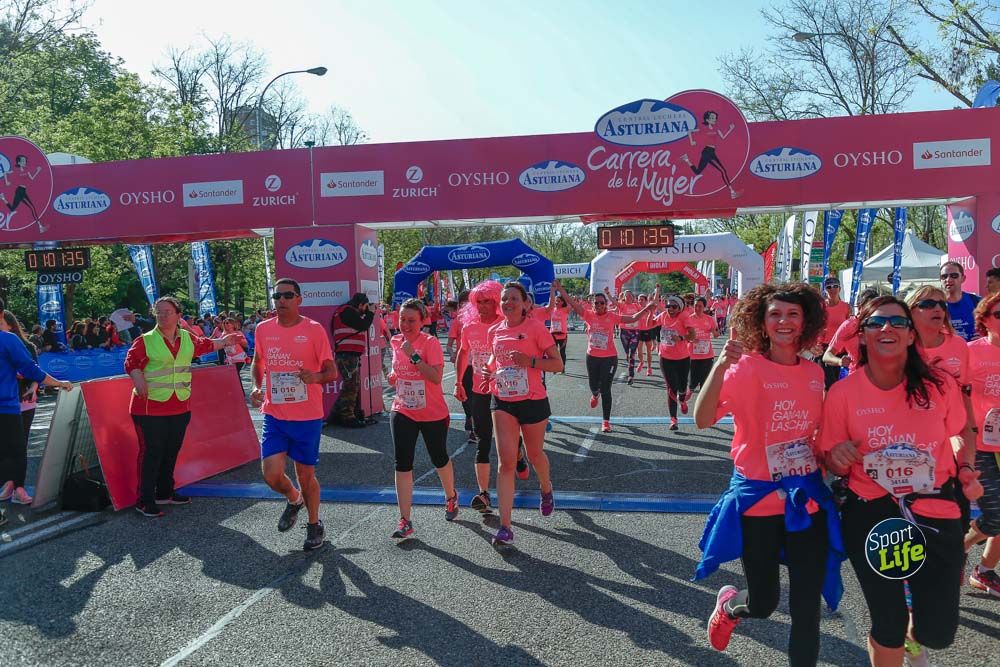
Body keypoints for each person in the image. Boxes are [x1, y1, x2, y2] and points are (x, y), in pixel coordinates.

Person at [819, 296, 983, 666]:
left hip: (935, 506)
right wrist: (838, 456)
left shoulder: (939, 383)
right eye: (876, 323)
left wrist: (967, 467)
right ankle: (896, 638)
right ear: (861, 336)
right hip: (873, 513)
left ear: (911, 336)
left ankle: (916, 635)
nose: (886, 329)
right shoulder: (844, 393)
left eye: (897, 322)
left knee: (937, 632)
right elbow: (830, 456)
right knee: (888, 619)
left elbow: (960, 431)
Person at [694, 283, 840, 664]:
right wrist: (720, 364)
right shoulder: (745, 368)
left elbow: (816, 433)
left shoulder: (814, 373)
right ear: (762, 322)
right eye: (775, 314)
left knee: (807, 610)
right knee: (764, 603)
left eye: (793, 314)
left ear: (805, 321)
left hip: (805, 497)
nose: (784, 321)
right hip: (758, 498)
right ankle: (729, 607)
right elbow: (702, 419)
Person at [126, 297, 239, 518]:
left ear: (179, 316)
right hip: (150, 406)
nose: (162, 316)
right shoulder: (145, 340)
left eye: (167, 312)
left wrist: (225, 341)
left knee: (171, 451)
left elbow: (206, 345)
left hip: (179, 404)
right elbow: (131, 362)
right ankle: (145, 499)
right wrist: (138, 380)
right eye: (158, 312)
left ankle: (165, 492)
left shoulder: (187, 337)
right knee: (152, 452)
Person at [251, 279, 338, 550]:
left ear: (299, 299)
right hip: (275, 414)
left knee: (306, 475)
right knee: (271, 475)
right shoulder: (263, 329)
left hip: (306, 417)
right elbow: (258, 361)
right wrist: (256, 386)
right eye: (277, 295)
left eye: (287, 295)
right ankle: (293, 499)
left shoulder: (313, 330)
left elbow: (332, 372)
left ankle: (314, 524)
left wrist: (315, 377)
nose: (281, 300)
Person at [482, 282, 563, 546]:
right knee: (506, 463)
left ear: (526, 303)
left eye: (514, 299)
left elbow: (558, 364)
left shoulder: (536, 328)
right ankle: (505, 526)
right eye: (505, 299)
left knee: (534, 454)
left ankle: (546, 487)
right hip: (502, 399)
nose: (508, 303)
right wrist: (488, 371)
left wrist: (531, 362)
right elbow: (495, 361)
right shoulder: (494, 331)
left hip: (533, 400)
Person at [385, 299, 459, 538]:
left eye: (411, 321)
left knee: (439, 458)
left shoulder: (430, 343)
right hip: (403, 408)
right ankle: (404, 520)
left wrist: (414, 357)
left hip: (431, 412)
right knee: (402, 463)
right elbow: (399, 369)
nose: (405, 325)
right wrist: (394, 376)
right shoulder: (396, 341)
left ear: (422, 321)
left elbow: (436, 378)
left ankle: (450, 496)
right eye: (402, 320)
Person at [561, 283, 656, 433]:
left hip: (609, 358)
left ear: (606, 304)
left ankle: (606, 421)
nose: (599, 305)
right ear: (592, 304)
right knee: (594, 385)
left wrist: (646, 309)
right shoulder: (588, 315)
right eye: (596, 303)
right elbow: (572, 303)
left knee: (606, 389)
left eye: (602, 303)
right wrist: (560, 289)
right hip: (592, 357)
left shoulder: (611, 316)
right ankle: (594, 394)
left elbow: (631, 318)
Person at [0, 311, 65, 506]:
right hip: (7, 406)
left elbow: (30, 369)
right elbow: (31, 369)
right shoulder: (7, 340)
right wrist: (60, 383)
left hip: (13, 404)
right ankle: (15, 487)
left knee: (11, 449)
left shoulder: (13, 341)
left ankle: (14, 487)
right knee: (17, 450)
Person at [964, 293, 1000, 598]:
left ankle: (984, 571)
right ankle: (960, 548)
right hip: (981, 444)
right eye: (999, 314)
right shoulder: (971, 352)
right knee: (997, 513)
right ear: (984, 319)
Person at [329, 292, 374, 428]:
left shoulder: (345, 312)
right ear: (360, 304)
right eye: (365, 306)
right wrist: (370, 313)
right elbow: (363, 325)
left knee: (351, 384)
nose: (365, 310)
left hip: (349, 354)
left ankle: (336, 415)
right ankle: (347, 417)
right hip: (346, 355)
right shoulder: (346, 311)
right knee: (351, 385)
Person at [821, 288, 881, 375]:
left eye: (875, 307)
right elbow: (827, 356)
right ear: (859, 306)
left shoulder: (883, 325)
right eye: (868, 307)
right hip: (856, 379)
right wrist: (840, 361)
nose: (871, 311)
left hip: (880, 380)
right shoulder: (849, 325)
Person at [656, 296, 691, 431]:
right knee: (671, 388)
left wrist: (681, 338)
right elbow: (650, 324)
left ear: (680, 308)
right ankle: (673, 419)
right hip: (665, 357)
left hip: (683, 358)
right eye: (668, 306)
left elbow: (693, 336)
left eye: (674, 307)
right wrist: (648, 311)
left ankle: (682, 400)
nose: (670, 309)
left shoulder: (684, 317)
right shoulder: (663, 316)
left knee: (682, 388)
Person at [819, 277, 851, 389]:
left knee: (841, 382)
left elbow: (850, 327)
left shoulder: (846, 307)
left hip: (841, 349)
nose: (832, 289)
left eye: (835, 286)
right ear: (825, 290)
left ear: (840, 288)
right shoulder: (821, 307)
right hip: (825, 348)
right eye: (829, 287)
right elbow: (815, 326)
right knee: (829, 384)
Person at [686, 296, 720, 396]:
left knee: (705, 383)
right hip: (692, 355)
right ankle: (686, 395)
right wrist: (691, 339)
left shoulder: (709, 319)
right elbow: (684, 336)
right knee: (692, 381)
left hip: (707, 355)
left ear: (704, 307)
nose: (697, 308)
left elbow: (716, 335)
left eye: (700, 306)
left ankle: (702, 406)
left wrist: (713, 331)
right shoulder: (689, 319)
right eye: (695, 306)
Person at [940, 260, 981, 342]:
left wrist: (985, 336)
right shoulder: (935, 304)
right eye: (944, 276)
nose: (948, 279)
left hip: (973, 351)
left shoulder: (977, 301)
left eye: (954, 275)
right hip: (949, 352)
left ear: (963, 278)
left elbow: (993, 325)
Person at [614, 290, 642, 385]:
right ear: (624, 298)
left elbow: (643, 311)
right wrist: (608, 293)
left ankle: (631, 375)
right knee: (627, 352)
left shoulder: (636, 306)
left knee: (631, 353)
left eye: (630, 295)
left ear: (633, 297)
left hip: (635, 331)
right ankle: (627, 355)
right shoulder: (622, 305)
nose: (629, 297)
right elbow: (614, 302)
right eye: (627, 296)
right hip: (624, 332)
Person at [636, 293, 658, 377]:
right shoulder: (636, 307)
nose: (640, 301)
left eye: (642, 299)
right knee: (639, 349)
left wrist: (657, 290)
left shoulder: (649, 307)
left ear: (646, 301)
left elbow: (655, 301)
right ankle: (641, 362)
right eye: (639, 299)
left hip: (648, 331)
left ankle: (649, 368)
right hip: (639, 331)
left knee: (648, 351)